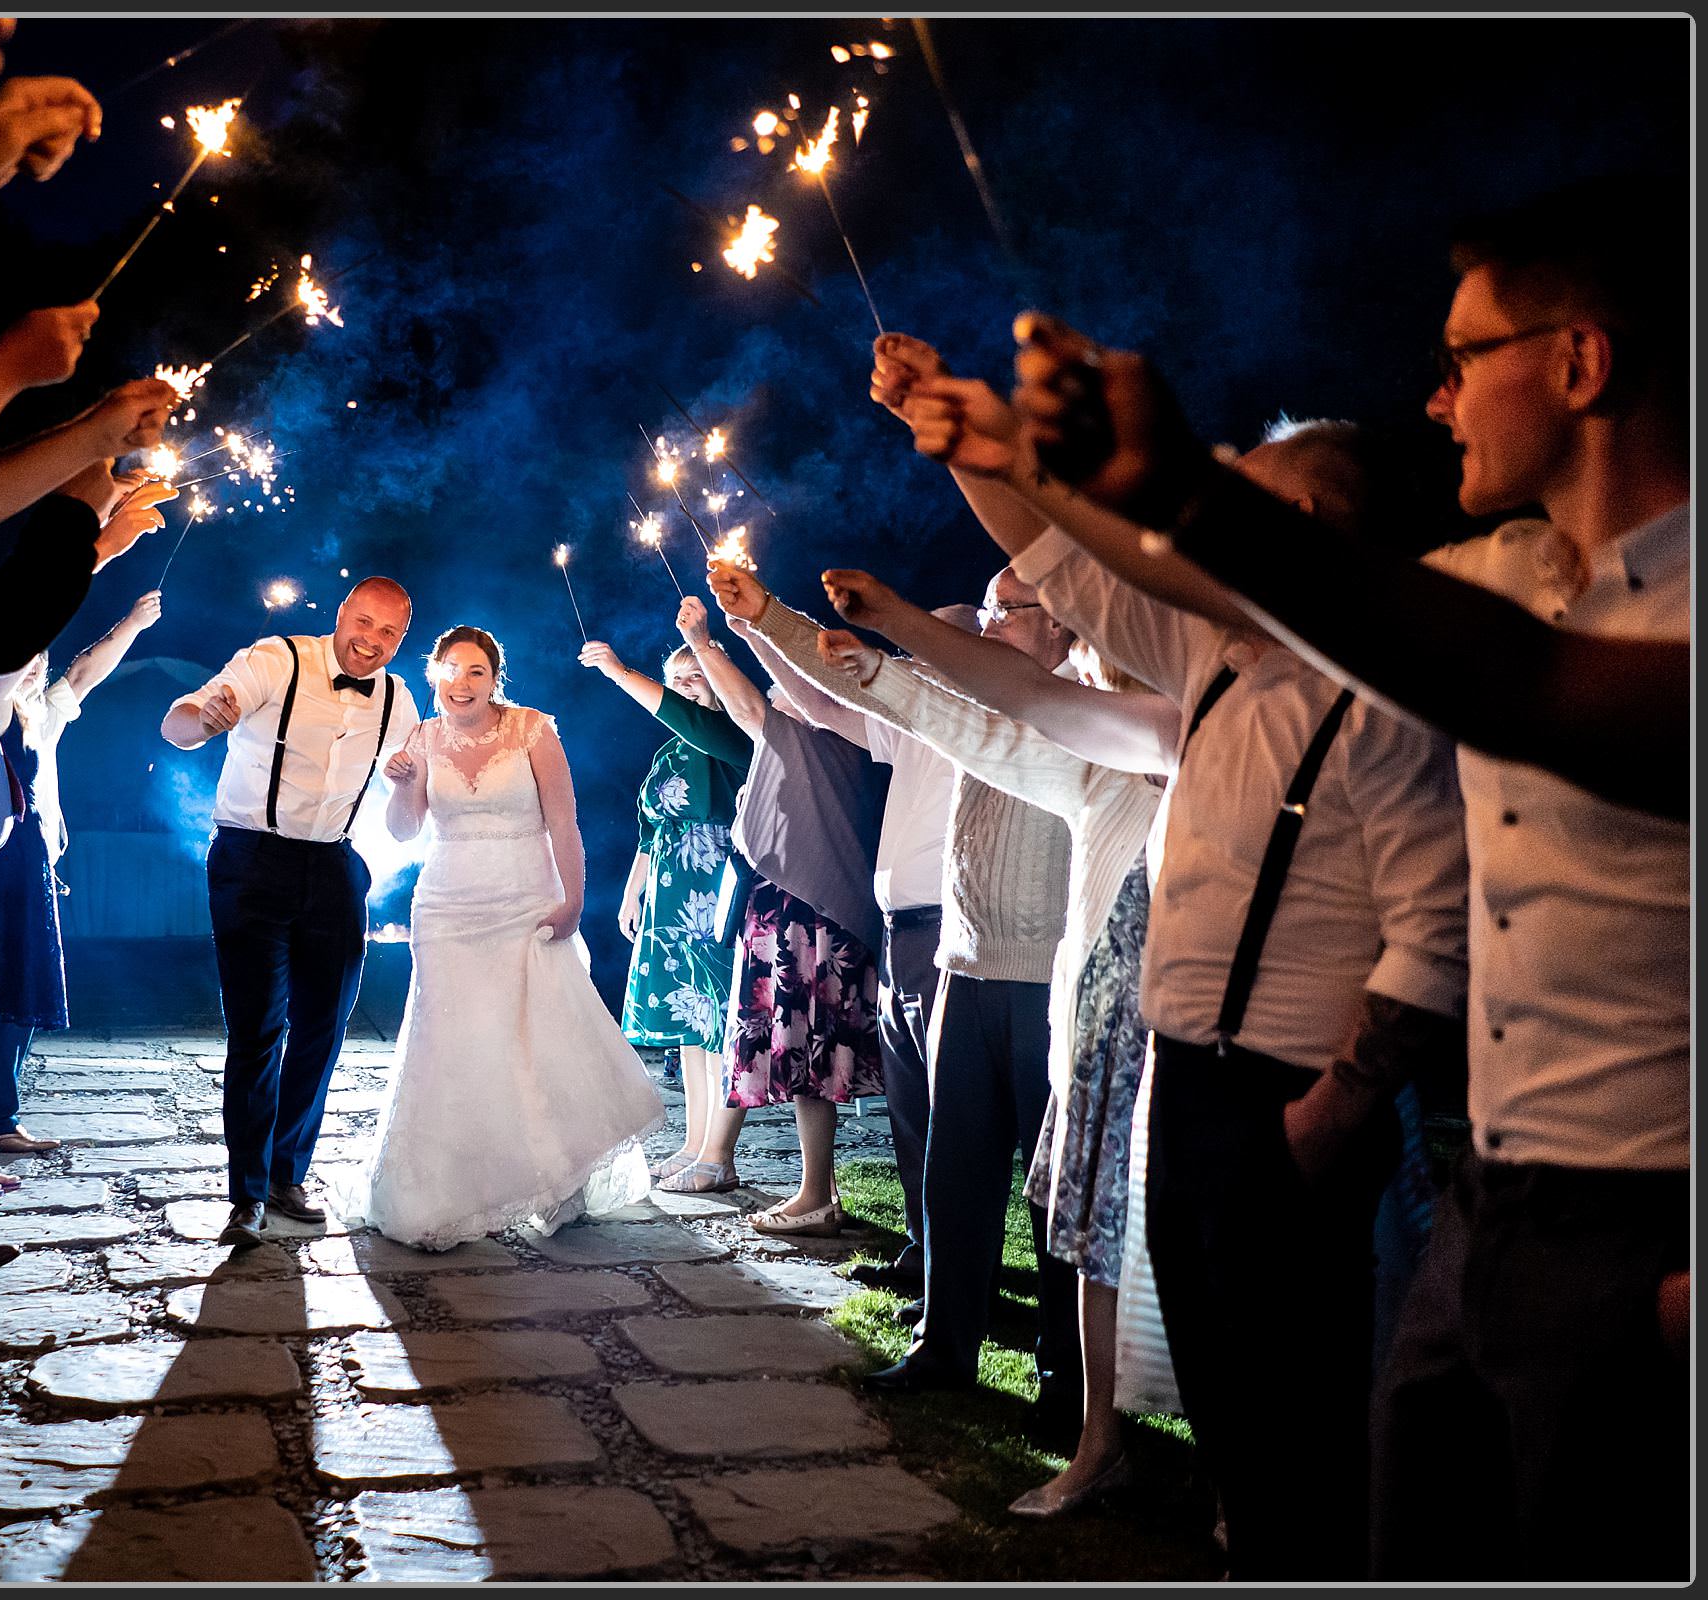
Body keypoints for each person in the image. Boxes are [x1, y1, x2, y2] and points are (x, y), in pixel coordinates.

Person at [1005, 176, 1690, 1579]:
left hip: (1649, 1231)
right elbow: (1241, 599)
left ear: (1582, 361)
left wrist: (1193, 492)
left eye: (1463, 361)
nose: (1436, 402)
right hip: (1493, 1203)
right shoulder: (1493, 572)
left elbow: (1536, 689)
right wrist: (1031, 467)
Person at [891, 336, 1472, 1578]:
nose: (1198, 529)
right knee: (1228, 1401)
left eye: (1241, 495)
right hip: (1189, 1085)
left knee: (1304, 1414)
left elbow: (1437, 925)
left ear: (1304, 522)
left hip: (1295, 1094)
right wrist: (961, 442)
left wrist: (1335, 1109)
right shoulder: (1217, 662)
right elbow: (1062, 569)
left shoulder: (1379, 687)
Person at [714, 554, 1172, 1515]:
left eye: (1011, 612)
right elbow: (869, 681)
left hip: (1052, 975)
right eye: (993, 608)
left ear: (1066, 629)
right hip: (964, 967)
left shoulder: (1101, 729)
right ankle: (945, 1346)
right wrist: (770, 618)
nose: (993, 624)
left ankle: (1065, 1384)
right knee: (954, 1173)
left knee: (1057, 1197)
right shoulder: (976, 710)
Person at [343, 627, 666, 1247]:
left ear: (495, 680)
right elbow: (406, 832)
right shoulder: (420, 738)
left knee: (531, 1034)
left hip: (525, 899)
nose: (462, 685)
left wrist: (572, 899)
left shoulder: (533, 730)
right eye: (452, 671)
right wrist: (401, 783)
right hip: (445, 905)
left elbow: (564, 821)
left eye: (477, 674)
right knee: (449, 1038)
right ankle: (440, 1190)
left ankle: (552, 1179)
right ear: (433, 672)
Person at [160, 577, 419, 1247]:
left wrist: (409, 785)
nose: (371, 640)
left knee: (324, 1028)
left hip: (335, 867)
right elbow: (183, 721)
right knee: (257, 1030)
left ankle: (286, 1173)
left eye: (389, 632)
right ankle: (244, 1194)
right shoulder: (276, 658)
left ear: (402, 640)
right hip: (252, 859)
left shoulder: (398, 700)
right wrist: (202, 718)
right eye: (363, 622)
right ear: (341, 614)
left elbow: (409, 795)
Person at [668, 596, 888, 1235]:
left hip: (810, 912)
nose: (776, 693)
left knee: (812, 1058)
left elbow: (746, 707)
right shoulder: (802, 741)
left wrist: (707, 641)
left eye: (789, 685)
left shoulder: (826, 734)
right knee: (801, 1060)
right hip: (785, 906)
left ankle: (817, 1196)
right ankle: (812, 1190)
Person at [0, 593, 165, 1156]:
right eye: (21, 656)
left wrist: (131, 622)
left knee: (21, 993)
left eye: (38, 658)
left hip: (31, 870)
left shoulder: (43, 715)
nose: (33, 667)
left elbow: (87, 671)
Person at [576, 636, 747, 1189]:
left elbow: (689, 719)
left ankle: (719, 1156)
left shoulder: (731, 734)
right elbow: (651, 833)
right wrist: (632, 892)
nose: (684, 688)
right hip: (670, 894)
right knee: (691, 1025)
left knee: (718, 1018)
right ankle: (697, 1145)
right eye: (676, 679)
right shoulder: (669, 751)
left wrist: (620, 672)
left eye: (697, 676)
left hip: (714, 887)